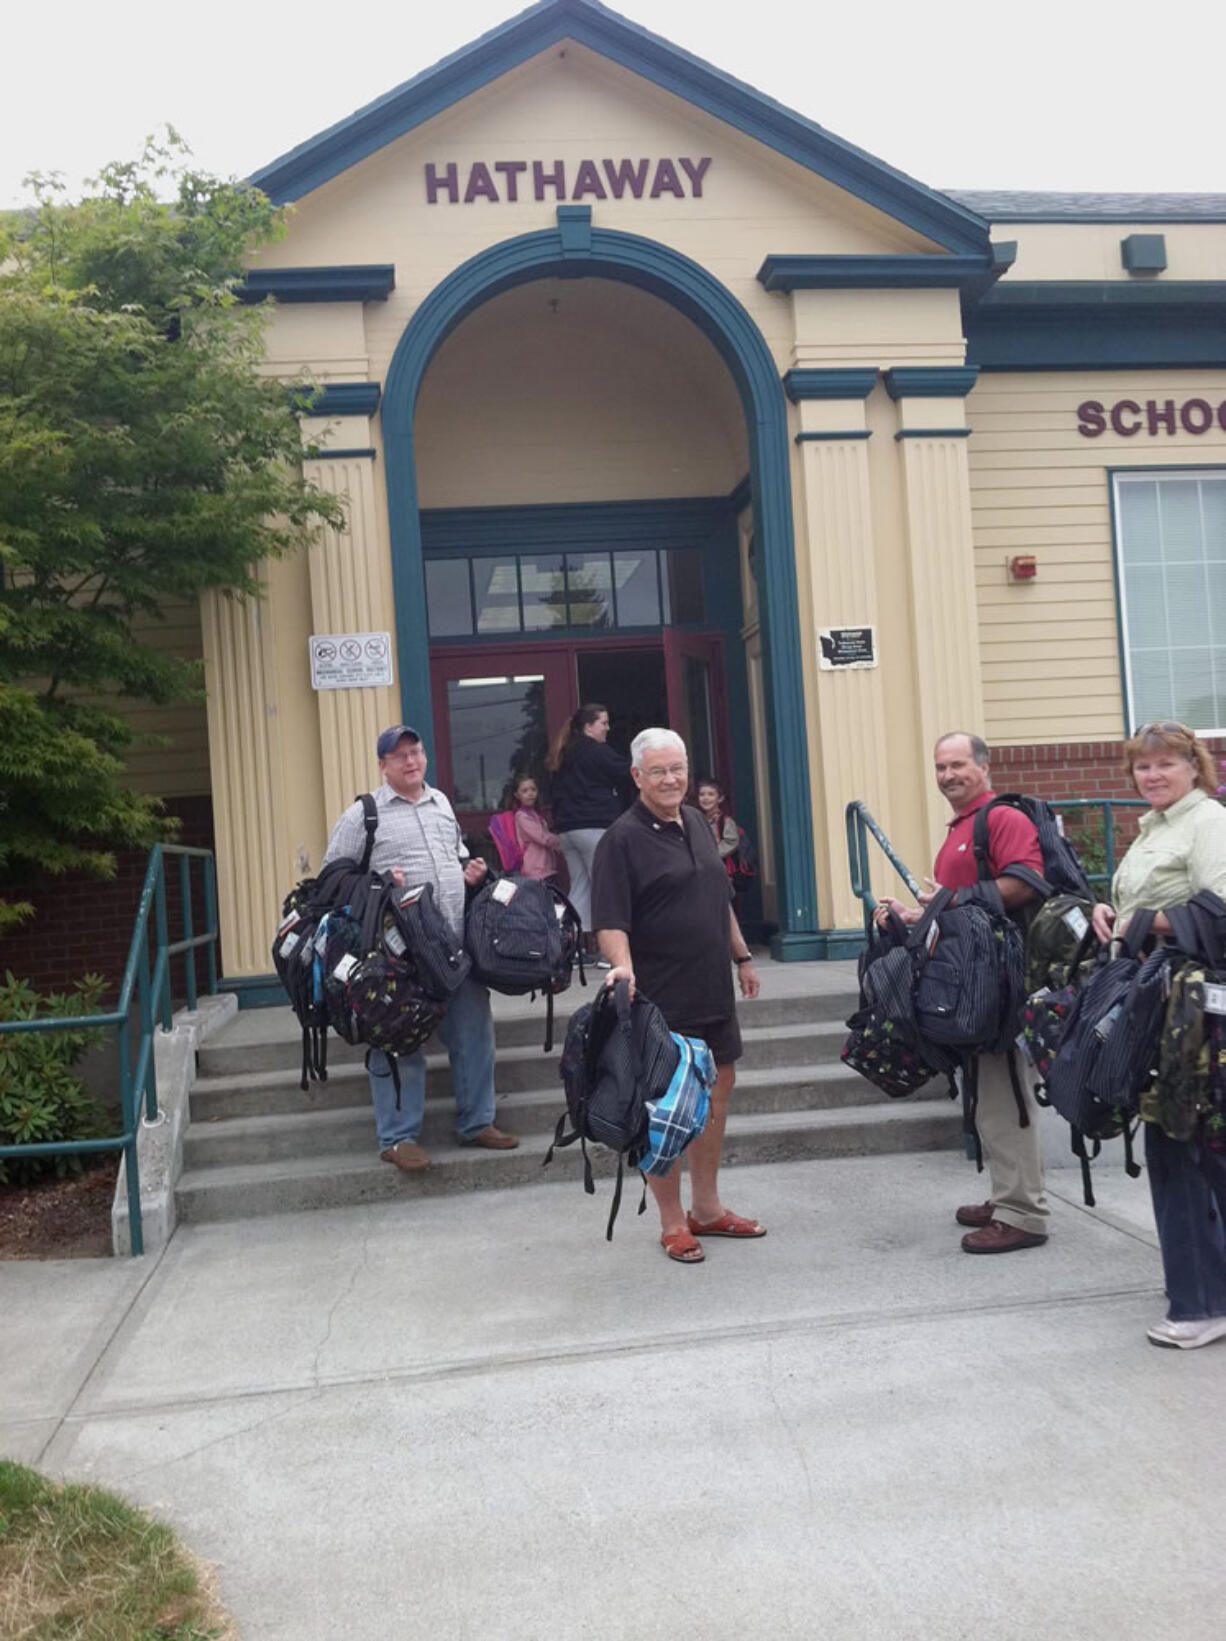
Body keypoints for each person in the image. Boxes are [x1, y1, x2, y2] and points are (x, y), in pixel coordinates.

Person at [591, 727, 763, 1264]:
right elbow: (611, 920)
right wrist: (623, 969)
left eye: (679, 769)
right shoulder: (620, 839)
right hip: (659, 993)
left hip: (712, 984)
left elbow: (719, 898)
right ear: (638, 776)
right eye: (659, 771)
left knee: (717, 1091)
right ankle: (672, 1221)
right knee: (664, 1105)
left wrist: (742, 956)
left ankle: (707, 1209)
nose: (671, 780)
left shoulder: (695, 822)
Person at [876, 731, 1049, 1254]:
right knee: (986, 1097)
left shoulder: (1002, 819)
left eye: (957, 765)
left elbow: (1026, 882)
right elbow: (956, 906)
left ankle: (1024, 1213)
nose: (948, 775)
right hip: (970, 984)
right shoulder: (962, 827)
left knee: (1006, 1097)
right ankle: (1005, 1197)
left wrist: (951, 902)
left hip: (999, 984)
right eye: (940, 767)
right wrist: (916, 915)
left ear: (983, 766)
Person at [321, 724, 518, 1172]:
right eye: (400, 756)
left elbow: (455, 854)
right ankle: (397, 1138)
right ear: (383, 766)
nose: (411, 761)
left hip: (452, 943)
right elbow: (332, 876)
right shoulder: (364, 814)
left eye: (417, 752)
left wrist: (469, 871)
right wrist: (380, 883)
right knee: (396, 1039)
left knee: (473, 1033)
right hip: (398, 954)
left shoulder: (441, 803)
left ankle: (477, 1123)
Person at [1090, 720, 1226, 1349]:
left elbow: (1220, 909)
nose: (1153, 775)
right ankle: (1203, 1289)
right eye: (1143, 767)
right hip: (1161, 1003)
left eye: (1167, 764)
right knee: (1186, 1145)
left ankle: (1200, 1304)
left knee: (1186, 1145)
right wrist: (1114, 914)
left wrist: (1148, 922)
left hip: (1197, 1014)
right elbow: (1151, 908)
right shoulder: (1156, 829)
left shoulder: (1208, 824)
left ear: (1194, 767)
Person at [547, 703, 631, 963]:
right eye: (603, 723)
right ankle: (611, 954)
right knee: (606, 887)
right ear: (588, 726)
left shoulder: (565, 753)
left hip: (568, 830)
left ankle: (569, 948)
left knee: (581, 886)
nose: (607, 728)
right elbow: (628, 772)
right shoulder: (597, 752)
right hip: (594, 825)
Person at [510, 775, 564, 883]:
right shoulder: (522, 816)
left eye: (533, 789)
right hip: (536, 869)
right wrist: (562, 842)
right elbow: (542, 837)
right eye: (525, 791)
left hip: (546, 867)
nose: (530, 794)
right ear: (517, 795)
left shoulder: (534, 814)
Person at [695, 778, 739, 861]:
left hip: (718, 866)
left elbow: (731, 842)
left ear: (720, 798)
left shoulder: (725, 822)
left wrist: (710, 855)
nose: (705, 798)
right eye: (702, 794)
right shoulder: (696, 819)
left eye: (711, 794)